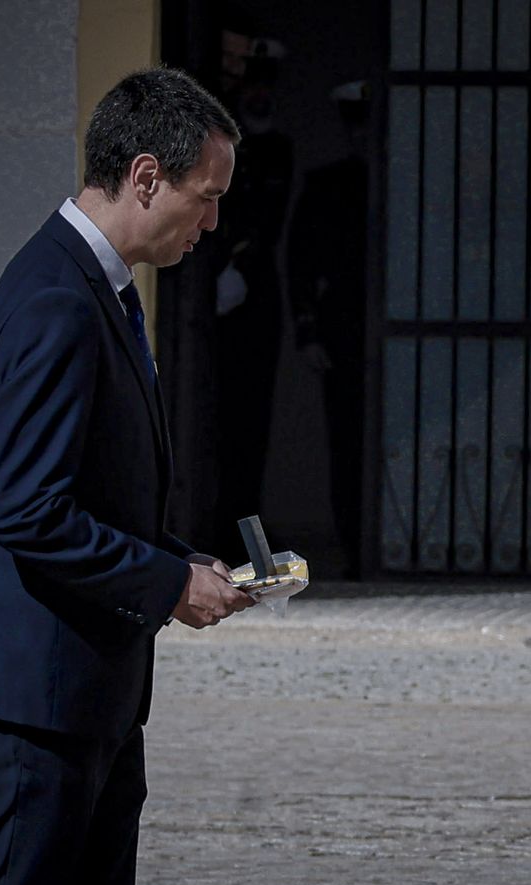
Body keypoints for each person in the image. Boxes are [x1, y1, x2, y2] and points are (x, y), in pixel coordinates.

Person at [0, 68, 253, 885]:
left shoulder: (94, 285)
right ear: (143, 177)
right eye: (205, 196)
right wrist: (168, 584)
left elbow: (87, 490)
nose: (212, 221)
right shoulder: (57, 298)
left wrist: (181, 560)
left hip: (86, 696)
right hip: (34, 706)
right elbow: (26, 509)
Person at [206, 31, 295, 559]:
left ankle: (241, 535)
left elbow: (265, 219)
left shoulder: (274, 146)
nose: (258, 96)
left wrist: (236, 266)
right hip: (211, 295)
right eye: (249, 85)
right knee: (209, 421)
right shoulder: (216, 145)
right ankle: (209, 527)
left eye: (265, 85)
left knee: (250, 424)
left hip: (253, 297)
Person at [288, 80, 371, 577]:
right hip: (343, 330)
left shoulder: (414, 179)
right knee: (346, 443)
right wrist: (309, 332)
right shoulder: (328, 184)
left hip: (408, 333)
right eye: (355, 124)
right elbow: (299, 261)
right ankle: (355, 550)